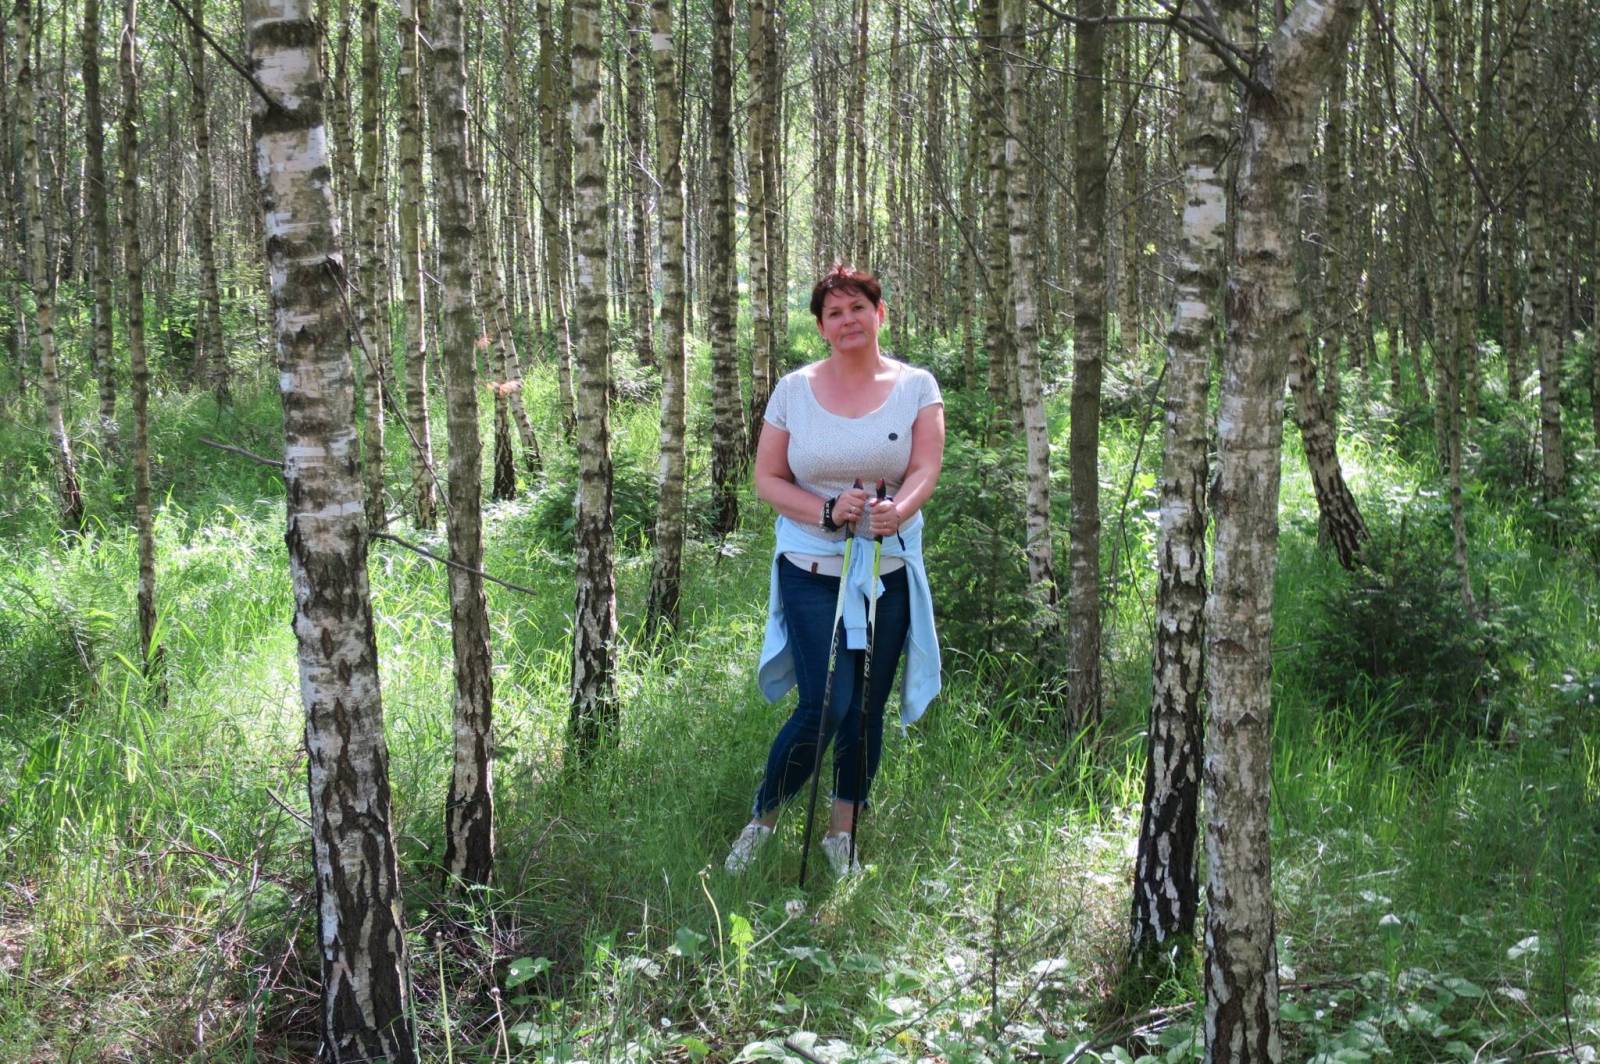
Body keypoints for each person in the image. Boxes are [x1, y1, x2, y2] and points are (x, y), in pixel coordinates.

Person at [725, 264, 945, 878]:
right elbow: (767, 479)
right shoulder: (793, 390)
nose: (848, 321)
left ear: (880, 314)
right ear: (821, 328)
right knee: (827, 701)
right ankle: (762, 822)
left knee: (867, 706)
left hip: (887, 569)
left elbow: (926, 465)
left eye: (858, 308)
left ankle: (841, 833)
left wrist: (898, 509)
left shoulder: (917, 386)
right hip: (810, 566)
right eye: (834, 313)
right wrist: (826, 510)